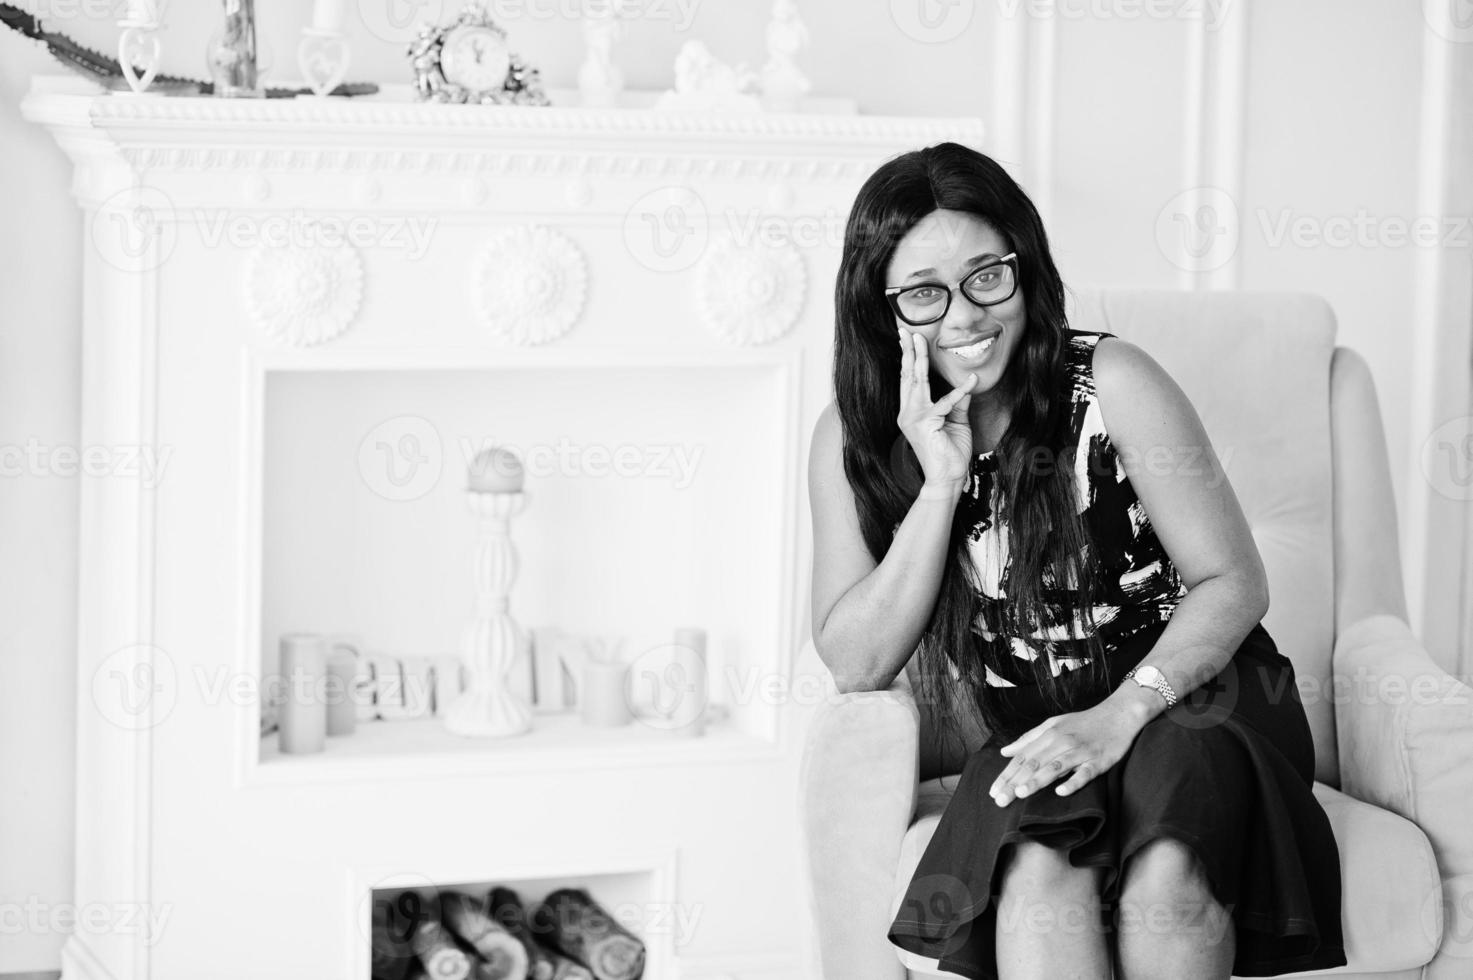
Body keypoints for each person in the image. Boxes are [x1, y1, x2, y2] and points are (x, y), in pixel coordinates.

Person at [806, 142, 1348, 980]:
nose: (963, 316)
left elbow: (1232, 581)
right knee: (1033, 881)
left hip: (1196, 697)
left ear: (1024, 266)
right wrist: (941, 482)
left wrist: (1122, 714)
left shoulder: (1113, 381)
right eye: (923, 293)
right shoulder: (855, 439)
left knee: (1167, 877)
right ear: (880, 309)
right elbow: (856, 660)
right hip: (1041, 724)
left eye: (987, 275)